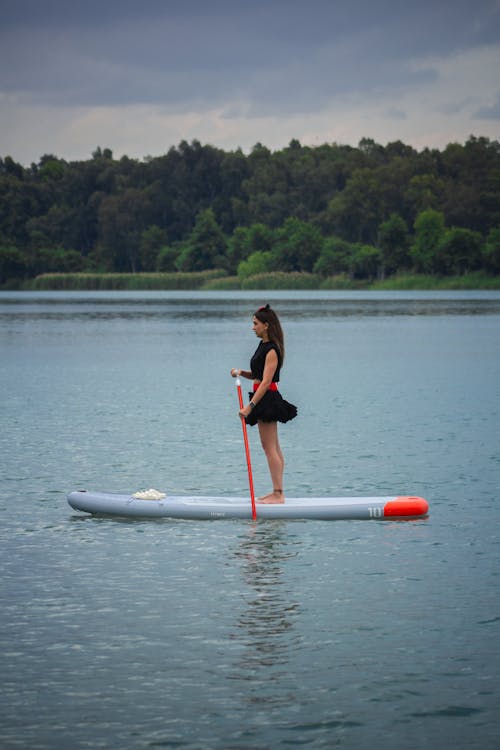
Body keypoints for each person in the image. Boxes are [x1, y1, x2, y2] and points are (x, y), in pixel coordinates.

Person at [231, 304, 297, 504]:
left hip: (267, 398)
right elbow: (258, 376)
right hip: (264, 396)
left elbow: (267, 382)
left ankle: (278, 494)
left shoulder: (272, 350)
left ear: (266, 325)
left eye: (255, 323)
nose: (253, 327)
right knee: (273, 447)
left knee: (270, 448)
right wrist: (241, 373)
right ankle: (277, 492)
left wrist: (249, 407)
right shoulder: (263, 346)